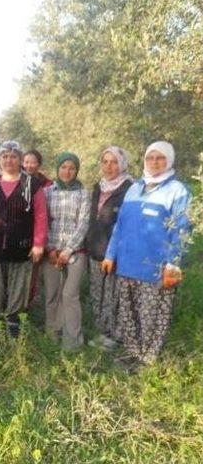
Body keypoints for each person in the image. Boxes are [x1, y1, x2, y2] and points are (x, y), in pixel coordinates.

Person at [102, 141, 191, 367]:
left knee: (151, 316)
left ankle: (146, 360)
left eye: (160, 158)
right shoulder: (134, 188)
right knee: (129, 313)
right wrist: (110, 254)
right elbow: (119, 226)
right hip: (126, 264)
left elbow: (181, 230)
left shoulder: (177, 191)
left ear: (169, 160)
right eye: (150, 158)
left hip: (155, 269)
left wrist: (173, 265)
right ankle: (132, 353)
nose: (154, 163)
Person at [0, 141, 47, 337]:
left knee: (18, 289)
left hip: (21, 248)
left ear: (20, 160)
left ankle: (14, 326)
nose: (9, 160)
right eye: (5, 156)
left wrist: (39, 244)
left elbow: (40, 216)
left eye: (13, 156)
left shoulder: (32, 185)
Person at [85, 146, 132, 350]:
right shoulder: (99, 186)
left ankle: (113, 336)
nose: (109, 166)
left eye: (113, 162)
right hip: (95, 249)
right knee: (97, 292)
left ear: (122, 164)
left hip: (115, 253)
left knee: (113, 295)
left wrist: (115, 251)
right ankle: (102, 331)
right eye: (105, 162)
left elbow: (128, 224)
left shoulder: (130, 188)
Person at [42, 153, 91, 350]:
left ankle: (72, 342)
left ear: (76, 170)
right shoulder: (48, 192)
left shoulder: (83, 193)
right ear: (58, 169)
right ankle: (52, 334)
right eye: (63, 167)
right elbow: (42, 221)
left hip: (75, 253)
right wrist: (50, 249)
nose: (67, 171)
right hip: (52, 252)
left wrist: (68, 250)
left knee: (70, 295)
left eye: (71, 168)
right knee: (52, 294)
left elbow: (84, 223)